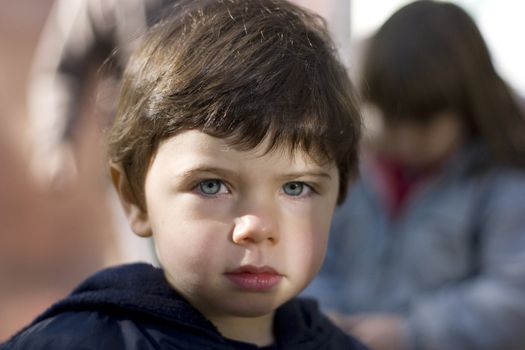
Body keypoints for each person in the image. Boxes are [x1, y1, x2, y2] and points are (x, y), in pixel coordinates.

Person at [1, 0, 366, 348]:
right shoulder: (77, 342)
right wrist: (55, 140)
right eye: (212, 185)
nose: (256, 226)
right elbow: (63, 67)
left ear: (339, 193)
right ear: (133, 199)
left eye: (296, 187)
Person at [303, 1, 525, 350]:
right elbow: (314, 254)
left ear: (468, 103)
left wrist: (411, 331)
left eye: (423, 122)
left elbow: (514, 297)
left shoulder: (503, 181)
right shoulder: (352, 168)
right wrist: (319, 313)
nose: (405, 139)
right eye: (393, 117)